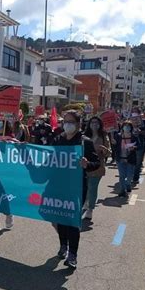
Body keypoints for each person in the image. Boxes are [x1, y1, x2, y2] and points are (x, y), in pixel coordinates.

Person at [52, 110, 100, 269]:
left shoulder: (84, 142)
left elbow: (96, 163)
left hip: (77, 187)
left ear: (78, 124)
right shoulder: (58, 139)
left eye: (71, 121)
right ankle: (63, 245)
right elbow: (47, 156)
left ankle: (72, 254)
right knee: (61, 218)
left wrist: (87, 164)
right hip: (59, 185)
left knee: (72, 221)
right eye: (65, 121)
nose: (67, 124)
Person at [83, 116, 111, 220]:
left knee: (92, 187)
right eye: (92, 122)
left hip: (97, 166)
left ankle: (90, 209)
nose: (94, 125)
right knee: (85, 186)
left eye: (96, 123)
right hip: (85, 165)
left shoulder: (103, 136)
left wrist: (104, 149)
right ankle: (86, 201)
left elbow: (109, 152)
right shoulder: (84, 135)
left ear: (100, 124)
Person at [112, 121, 140, 197]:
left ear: (131, 128)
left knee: (129, 175)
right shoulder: (118, 136)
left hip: (130, 159)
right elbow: (114, 147)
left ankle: (128, 184)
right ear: (122, 127)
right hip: (120, 158)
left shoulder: (134, 137)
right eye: (125, 126)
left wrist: (134, 147)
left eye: (128, 126)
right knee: (122, 175)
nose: (126, 128)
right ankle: (122, 190)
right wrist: (113, 143)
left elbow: (139, 146)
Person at [132, 109, 145, 184]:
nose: (134, 115)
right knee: (131, 161)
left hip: (141, 143)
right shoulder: (129, 122)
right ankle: (130, 175)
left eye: (136, 113)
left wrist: (140, 132)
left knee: (138, 162)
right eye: (133, 113)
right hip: (130, 143)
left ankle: (135, 178)